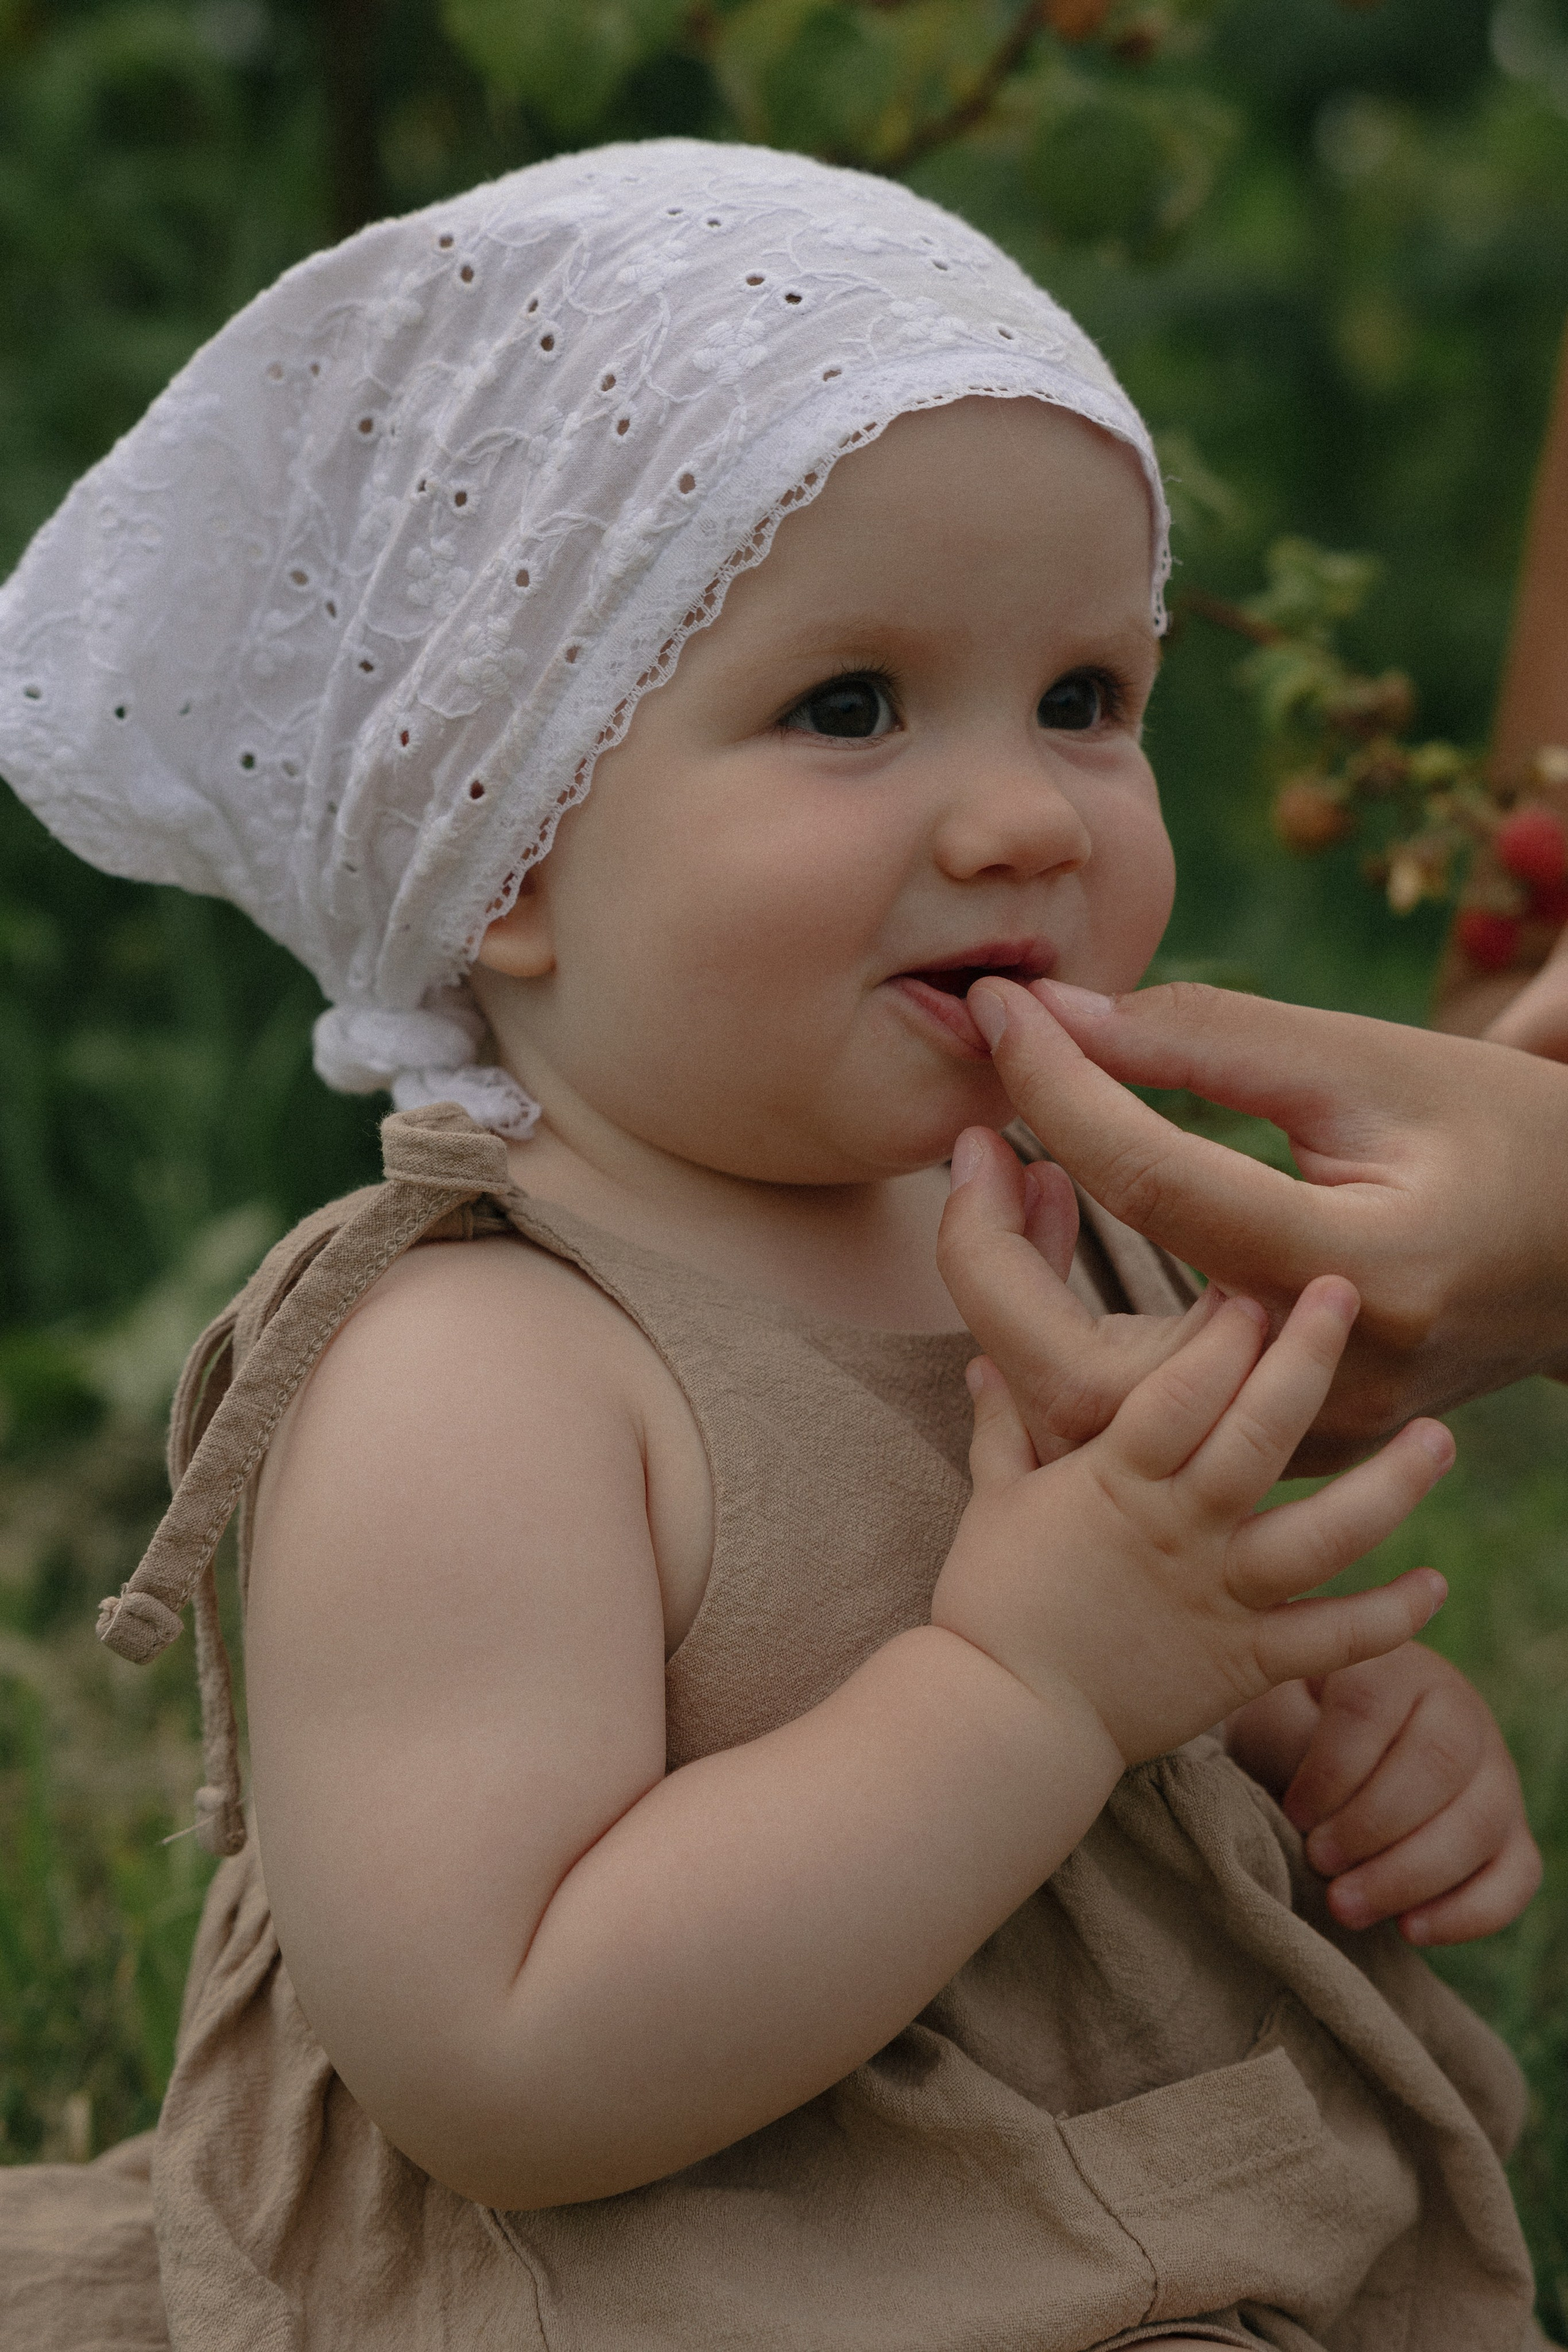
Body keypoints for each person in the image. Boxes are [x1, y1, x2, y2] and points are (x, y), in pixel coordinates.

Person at [0, 142, 1547, 2351]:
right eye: (851, 708)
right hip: (675, 2270)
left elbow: (1164, 1691)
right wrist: (1024, 1691)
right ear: (501, 846)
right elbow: (501, 2064)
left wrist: (1330, 1720)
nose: (1027, 812)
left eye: (1090, 700)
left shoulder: (1047, 1224)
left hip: (1105, 2191)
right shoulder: (482, 1370)